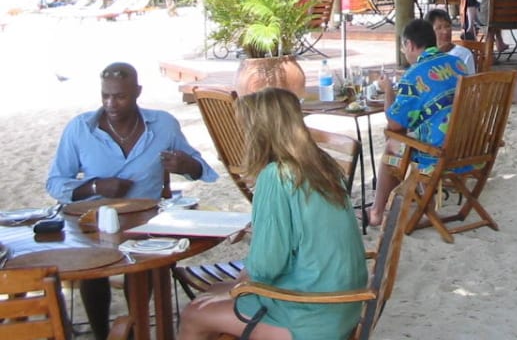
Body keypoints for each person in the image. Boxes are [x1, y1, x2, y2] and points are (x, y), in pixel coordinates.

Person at [178, 88, 368, 340]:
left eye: (244, 127)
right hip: (344, 302)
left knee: (194, 313)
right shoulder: (323, 165)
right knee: (215, 291)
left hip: (312, 312)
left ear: (259, 131)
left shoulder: (276, 176)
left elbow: (268, 264)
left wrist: (239, 287)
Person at [46, 62, 218, 340]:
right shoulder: (80, 128)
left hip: (149, 222)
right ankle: (103, 334)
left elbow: (202, 171)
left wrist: (187, 164)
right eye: (105, 95)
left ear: (137, 92)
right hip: (94, 222)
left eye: (120, 96)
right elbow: (55, 183)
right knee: (92, 264)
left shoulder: (163, 124)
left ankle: (136, 328)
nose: (111, 104)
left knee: (143, 266)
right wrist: (94, 186)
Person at [368, 19, 468, 226]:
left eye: (404, 46)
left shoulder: (413, 75)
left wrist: (388, 89)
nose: (405, 51)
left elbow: (395, 125)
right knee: (413, 136)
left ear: (411, 45)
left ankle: (376, 212)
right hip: (468, 148)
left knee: (394, 144)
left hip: (441, 154)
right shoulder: (457, 64)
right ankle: (424, 205)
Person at [427, 8, 476, 74]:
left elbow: (470, 82)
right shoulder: (425, 56)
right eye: (439, 28)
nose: (445, 31)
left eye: (447, 26)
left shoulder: (464, 54)